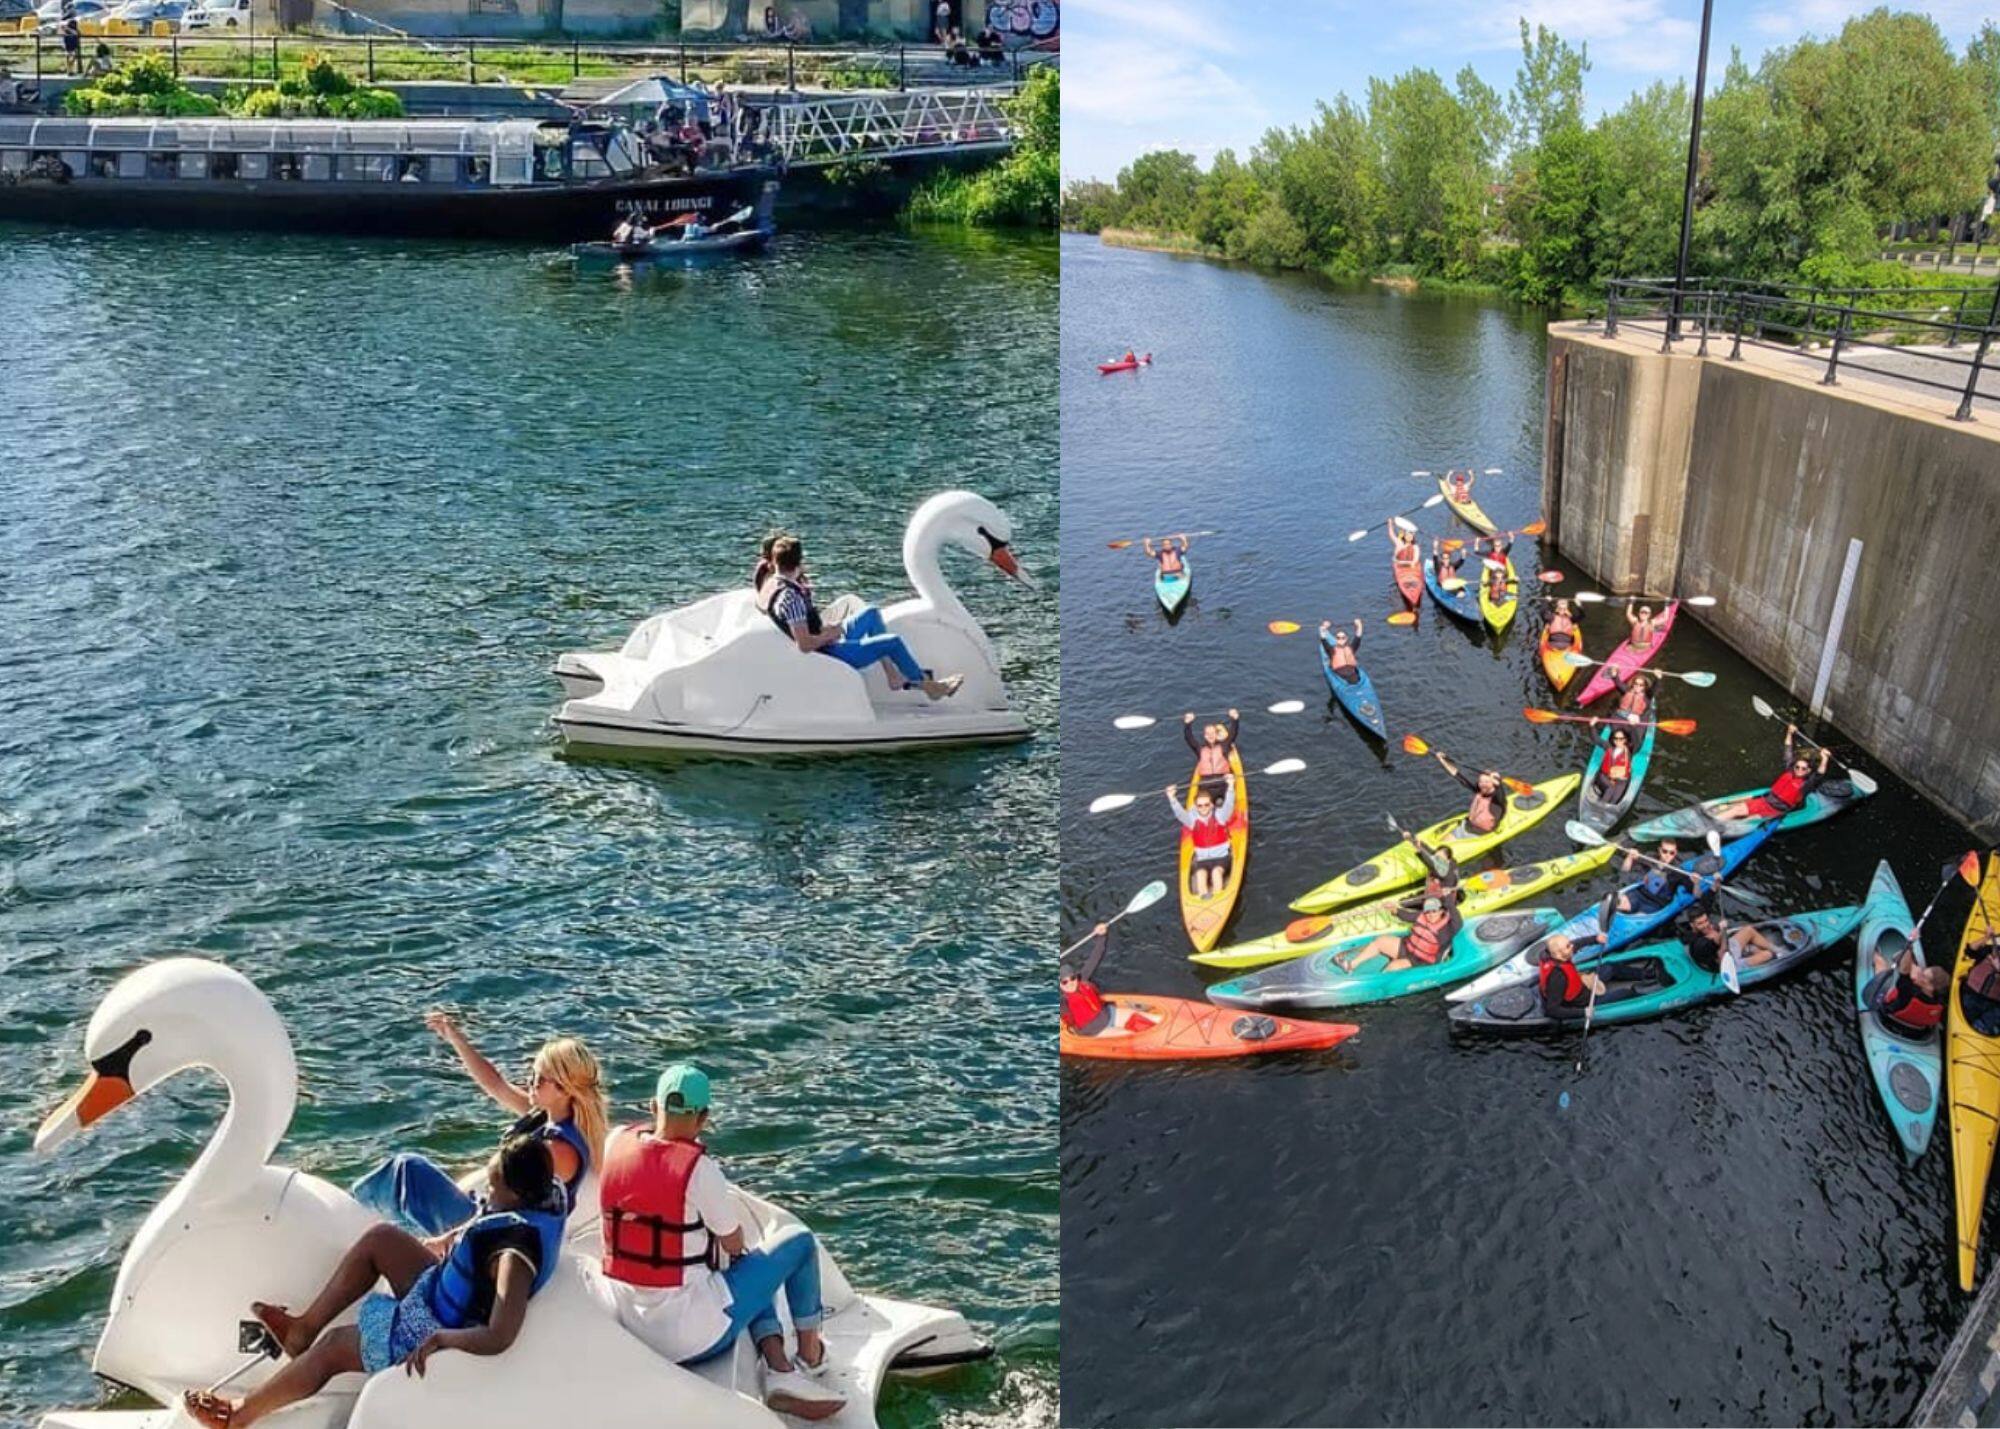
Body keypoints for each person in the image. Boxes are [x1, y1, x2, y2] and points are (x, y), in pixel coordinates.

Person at [184, 1135, 566, 1429]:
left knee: (334, 1347)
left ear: (517, 1193)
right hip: (439, 1291)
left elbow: (500, 1334)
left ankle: (236, 1415)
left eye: (494, 1189)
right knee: (381, 1240)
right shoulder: (543, 1196)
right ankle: (302, 1331)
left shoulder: (513, 1254)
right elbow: (486, 1226)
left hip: (437, 1326)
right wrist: (449, 1241)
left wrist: (442, 1339)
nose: (487, 1195)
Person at [587, 1064, 846, 1422]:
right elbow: (733, 1242)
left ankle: (778, 1368)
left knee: (745, 1269)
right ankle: (811, 1358)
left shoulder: (615, 1142)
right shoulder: (698, 1170)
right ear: (703, 1118)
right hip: (692, 1336)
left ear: (652, 1106)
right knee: (796, 1244)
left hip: (635, 1324)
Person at [352, 1017, 608, 1235]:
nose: (531, 1082)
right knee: (407, 1177)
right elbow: (496, 1084)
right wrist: (457, 1039)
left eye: (540, 1079)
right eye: (532, 1074)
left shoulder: (559, 1151)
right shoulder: (546, 1116)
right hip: (486, 1213)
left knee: (408, 1168)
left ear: (565, 1089)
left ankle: (349, 1212)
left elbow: (517, 1210)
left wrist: (454, 1236)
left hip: (490, 1233)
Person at [764, 536, 963, 700]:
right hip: (830, 652)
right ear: (799, 563)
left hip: (825, 640)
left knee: (871, 613)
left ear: (775, 562)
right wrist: (830, 634)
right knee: (892, 642)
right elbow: (805, 645)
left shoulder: (774, 585)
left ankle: (893, 676)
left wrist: (825, 629)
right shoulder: (791, 598)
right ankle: (928, 686)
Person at [1710, 725, 1833, 823]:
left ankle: (1720, 827)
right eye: (1797, 767)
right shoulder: (1789, 770)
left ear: (1808, 771)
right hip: (1765, 801)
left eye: (1803, 768)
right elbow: (1788, 749)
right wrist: (1789, 733)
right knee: (1737, 809)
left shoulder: (1807, 784)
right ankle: (1711, 822)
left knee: (1749, 820)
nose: (1799, 770)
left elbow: (1820, 773)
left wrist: (1824, 758)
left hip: (1776, 811)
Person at [1059, 923, 1155, 1037]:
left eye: (1072, 978)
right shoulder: (1062, 1000)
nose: (1070, 983)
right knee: (1130, 1035)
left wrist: (1102, 936)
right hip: (1095, 1031)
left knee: (1145, 1018)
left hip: (1108, 1014)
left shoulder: (1082, 979)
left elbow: (1095, 957)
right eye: (1064, 982)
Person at [1334, 896, 1459, 974]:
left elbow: (1459, 922)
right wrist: (1394, 909)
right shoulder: (1421, 916)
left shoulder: (1448, 928)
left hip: (1420, 961)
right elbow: (1405, 915)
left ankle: (1378, 986)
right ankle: (1351, 965)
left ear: (1441, 911)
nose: (1430, 914)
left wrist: (1449, 901)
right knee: (1381, 941)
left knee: (1393, 967)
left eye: (1434, 911)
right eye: (1427, 911)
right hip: (1407, 948)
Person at [1167, 777, 1236, 899]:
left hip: (1221, 857)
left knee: (1216, 873)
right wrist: (1172, 798)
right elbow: (1180, 814)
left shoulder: (1220, 816)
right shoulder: (1191, 820)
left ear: (1211, 805)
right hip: (1202, 859)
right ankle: (1203, 898)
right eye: (1200, 805)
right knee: (1200, 875)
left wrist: (1230, 786)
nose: (1203, 808)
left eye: (1206, 805)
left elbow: (1229, 805)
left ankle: (1217, 898)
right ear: (1196, 806)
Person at [1679, 898, 1780, 973]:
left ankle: (1777, 950)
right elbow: (1718, 943)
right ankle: (1753, 953)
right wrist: (1722, 930)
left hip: (1727, 949)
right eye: (1700, 923)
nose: (1705, 925)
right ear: (1692, 925)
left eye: (1706, 920)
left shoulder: (1700, 929)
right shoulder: (1700, 945)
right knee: (1767, 954)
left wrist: (1715, 885)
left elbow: (1707, 902)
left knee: (1748, 930)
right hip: (1726, 963)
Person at [1867, 944, 1948, 1036]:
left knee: (1882, 967)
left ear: (1930, 987)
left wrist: (1908, 948)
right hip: (1915, 1031)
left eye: (1923, 976)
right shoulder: (1940, 1001)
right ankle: (1902, 959)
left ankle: (1875, 954)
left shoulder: (1908, 991)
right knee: (1915, 971)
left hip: (1888, 1018)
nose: (1920, 975)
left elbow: (1904, 970)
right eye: (1923, 972)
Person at [1429, 751, 1505, 836]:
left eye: (1486, 782)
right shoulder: (1480, 789)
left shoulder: (1497, 799)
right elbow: (1457, 774)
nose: (1482, 784)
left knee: (1448, 839)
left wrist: (1497, 780)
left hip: (1481, 831)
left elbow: (1499, 789)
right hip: (1470, 824)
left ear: (1493, 784)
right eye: (1481, 781)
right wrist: (1443, 760)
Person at [1616, 838, 1694, 918]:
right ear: (1659, 850)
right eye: (1664, 851)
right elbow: (1624, 872)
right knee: (1619, 904)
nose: (1668, 855)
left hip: (1655, 903)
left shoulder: (1678, 870)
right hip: (1639, 893)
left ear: (1675, 853)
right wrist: (1630, 857)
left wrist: (1695, 882)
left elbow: (1692, 890)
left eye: (1672, 853)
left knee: (1638, 917)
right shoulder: (1650, 857)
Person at [1183, 708, 1238, 797]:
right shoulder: (1200, 749)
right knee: (1203, 800)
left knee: (1220, 801)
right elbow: (1189, 738)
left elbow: (1233, 734)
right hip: (1206, 784)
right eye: (1208, 734)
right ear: (1205, 736)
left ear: (1216, 735)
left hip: (1223, 782)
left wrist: (1234, 719)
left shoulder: (1224, 745)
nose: (1210, 735)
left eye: (1213, 733)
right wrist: (1187, 724)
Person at [1590, 723, 1638, 805]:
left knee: (1615, 800)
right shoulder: (1608, 747)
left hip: (1621, 780)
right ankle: (1600, 806)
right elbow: (1596, 739)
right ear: (1613, 739)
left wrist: (1633, 727)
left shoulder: (1629, 751)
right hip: (1605, 777)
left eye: (1621, 739)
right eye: (1616, 739)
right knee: (1610, 789)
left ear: (1625, 740)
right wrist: (1592, 726)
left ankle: (1606, 806)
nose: (1618, 741)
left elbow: (1636, 741)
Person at [1961, 936, 2000, 1035]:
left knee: (1979, 1029)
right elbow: (1969, 951)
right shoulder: (1990, 950)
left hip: (1993, 1006)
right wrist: (1986, 937)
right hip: (1971, 995)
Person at [1319, 618, 1363, 683]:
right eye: (1338, 638)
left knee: (1354, 679)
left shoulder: (1351, 648)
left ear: (1346, 638)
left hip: (1352, 674)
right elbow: (1323, 639)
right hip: (1339, 675)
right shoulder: (1332, 650)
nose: (1341, 639)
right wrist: (1324, 627)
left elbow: (1358, 636)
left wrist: (1359, 625)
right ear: (1336, 639)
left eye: (1343, 638)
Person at [1389, 523, 1421, 605]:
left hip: (1413, 570)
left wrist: (1400, 562)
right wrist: (1390, 524)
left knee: (1414, 584)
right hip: (1401, 569)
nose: (1409, 536)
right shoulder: (1400, 544)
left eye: (1411, 535)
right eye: (1407, 535)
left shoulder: (1415, 547)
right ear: (1404, 536)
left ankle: (1414, 600)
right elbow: (1391, 535)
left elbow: (1415, 561)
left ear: (1413, 536)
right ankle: (1411, 600)